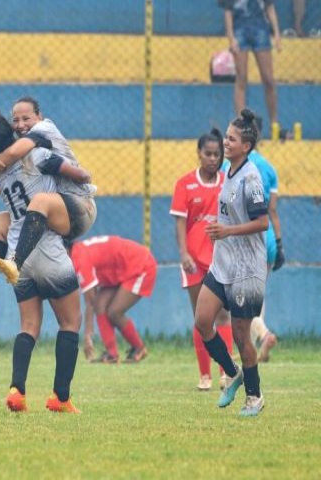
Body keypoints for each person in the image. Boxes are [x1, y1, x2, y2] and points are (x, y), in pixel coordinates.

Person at [0, 111, 84, 414]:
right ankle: (60, 398)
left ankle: (17, 392)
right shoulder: (38, 155)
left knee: (28, 325)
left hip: (16, 254)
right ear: (13, 131)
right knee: (70, 322)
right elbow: (67, 170)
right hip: (46, 247)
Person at [0, 96, 96, 305]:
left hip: (68, 213)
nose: (20, 125)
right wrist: (83, 175)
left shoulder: (43, 130)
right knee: (70, 324)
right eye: (15, 121)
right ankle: (9, 267)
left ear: (40, 117)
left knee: (2, 220)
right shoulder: (38, 156)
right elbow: (80, 175)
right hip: (48, 235)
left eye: (26, 118)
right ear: (9, 128)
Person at [194, 108, 269, 417]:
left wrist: (227, 231)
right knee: (202, 321)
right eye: (226, 136)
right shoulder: (228, 169)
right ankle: (231, 372)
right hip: (222, 263)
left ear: (246, 146)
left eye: (231, 138)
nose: (226, 142)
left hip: (246, 269)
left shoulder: (251, 178)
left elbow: (262, 221)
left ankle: (254, 396)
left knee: (241, 334)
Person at [170, 128, 234, 391]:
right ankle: (204, 375)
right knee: (201, 317)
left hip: (221, 260)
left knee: (222, 317)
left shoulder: (227, 182)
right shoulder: (184, 184)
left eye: (217, 154)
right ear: (199, 154)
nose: (212, 158)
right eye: (207, 153)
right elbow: (181, 223)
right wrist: (184, 253)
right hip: (194, 260)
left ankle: (226, 372)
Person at [222, 115, 284, 363]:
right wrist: (279, 244)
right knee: (256, 296)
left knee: (239, 300)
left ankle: (261, 335)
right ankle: (258, 343)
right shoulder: (268, 167)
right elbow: (273, 211)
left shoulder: (232, 166)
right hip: (267, 239)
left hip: (244, 240)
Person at [68, 235, 155, 365]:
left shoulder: (79, 259)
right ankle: (112, 354)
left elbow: (89, 302)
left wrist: (87, 336)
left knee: (114, 312)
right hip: (123, 269)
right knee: (100, 305)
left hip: (141, 265)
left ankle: (139, 348)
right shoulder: (78, 251)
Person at [218, 0, 282, 128]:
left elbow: (269, 7)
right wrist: (231, 37)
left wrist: (276, 33)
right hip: (239, 29)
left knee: (268, 79)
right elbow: (228, 10)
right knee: (241, 78)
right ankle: (241, 124)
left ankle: (274, 123)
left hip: (260, 28)